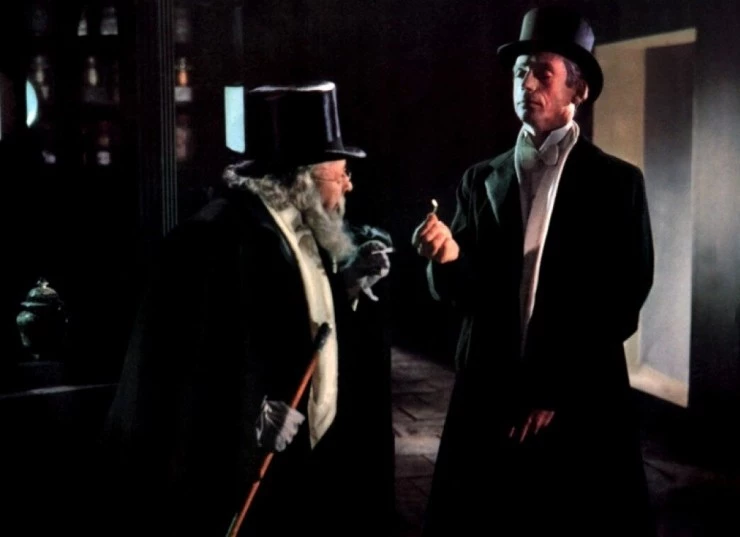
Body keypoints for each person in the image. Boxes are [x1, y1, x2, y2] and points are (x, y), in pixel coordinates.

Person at [100, 81, 395, 536]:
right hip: (238, 469)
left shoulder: (301, 225)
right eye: (339, 174)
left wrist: (348, 288)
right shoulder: (215, 238)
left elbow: (292, 314)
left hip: (299, 464)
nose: (348, 185)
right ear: (302, 178)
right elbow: (189, 364)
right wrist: (253, 413)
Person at [412, 7, 655, 536]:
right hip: (489, 395)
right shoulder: (481, 178)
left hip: (580, 399)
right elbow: (466, 295)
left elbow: (623, 297)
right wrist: (446, 257)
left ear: (578, 90)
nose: (526, 84)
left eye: (543, 72)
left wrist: (553, 388)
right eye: (521, 72)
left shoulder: (617, 184)